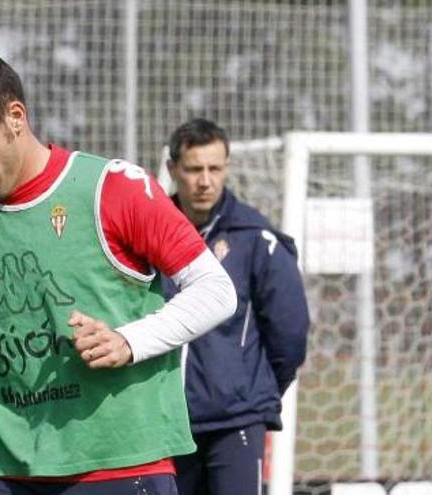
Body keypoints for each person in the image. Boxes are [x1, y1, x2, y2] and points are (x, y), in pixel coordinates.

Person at [0, 48, 237, 495]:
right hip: (13, 468)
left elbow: (216, 290)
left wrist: (129, 341)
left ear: (15, 116)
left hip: (120, 466)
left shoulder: (114, 188)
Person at [162, 118, 310, 495]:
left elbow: (289, 334)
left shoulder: (257, 238)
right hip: (164, 422)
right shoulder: (148, 235)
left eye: (215, 168)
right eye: (194, 169)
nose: (205, 181)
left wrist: (247, 391)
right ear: (172, 169)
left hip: (236, 422)